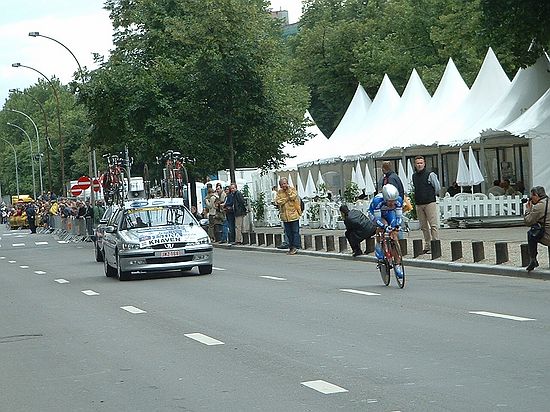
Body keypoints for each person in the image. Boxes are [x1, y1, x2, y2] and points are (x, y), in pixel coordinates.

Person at [368, 184, 404, 278]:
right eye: (389, 201)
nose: (392, 204)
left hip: (389, 213)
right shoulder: (377, 201)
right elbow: (378, 220)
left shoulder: (399, 200)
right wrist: (384, 227)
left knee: (394, 233)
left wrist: (397, 226)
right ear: (385, 199)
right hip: (376, 214)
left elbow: (399, 217)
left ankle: (397, 265)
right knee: (382, 227)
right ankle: (379, 245)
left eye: (394, 201)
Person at [411, 155, 441, 254]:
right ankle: (427, 244)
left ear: (424, 164)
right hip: (419, 203)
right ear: (415, 165)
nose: (419, 165)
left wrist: (432, 195)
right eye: (418, 163)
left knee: (433, 225)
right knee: (424, 226)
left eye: (421, 163)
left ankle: (435, 244)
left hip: (429, 202)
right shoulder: (414, 176)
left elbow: (437, 187)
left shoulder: (430, 174)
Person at [523, 186, 549, 272]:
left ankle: (533, 259)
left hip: (547, 236)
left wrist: (528, 210)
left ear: (536, 195)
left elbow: (528, 221)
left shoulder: (539, 206)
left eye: (532, 196)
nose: (531, 199)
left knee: (531, 233)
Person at [275, 177, 302, 255]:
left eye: (285, 183)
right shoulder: (279, 192)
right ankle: (290, 247)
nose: (284, 185)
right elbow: (278, 201)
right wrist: (286, 199)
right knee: (288, 233)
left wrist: (288, 191)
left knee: (295, 232)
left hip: (293, 214)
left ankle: (295, 246)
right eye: (282, 184)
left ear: (287, 183)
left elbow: (293, 197)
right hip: (285, 216)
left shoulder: (292, 189)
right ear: (280, 185)